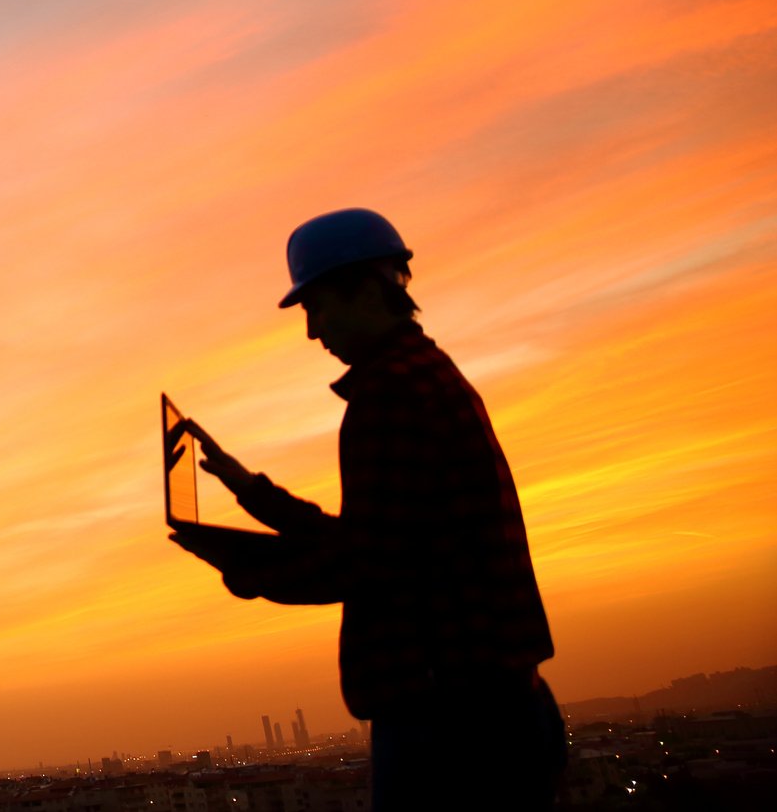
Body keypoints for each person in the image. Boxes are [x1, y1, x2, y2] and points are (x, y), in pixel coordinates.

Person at [169, 208, 564, 810]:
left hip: (450, 720)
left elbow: (365, 565)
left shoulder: (390, 396)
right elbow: (375, 539)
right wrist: (245, 486)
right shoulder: (424, 378)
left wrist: (247, 572)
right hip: (489, 704)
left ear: (363, 291)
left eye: (315, 308)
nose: (311, 331)